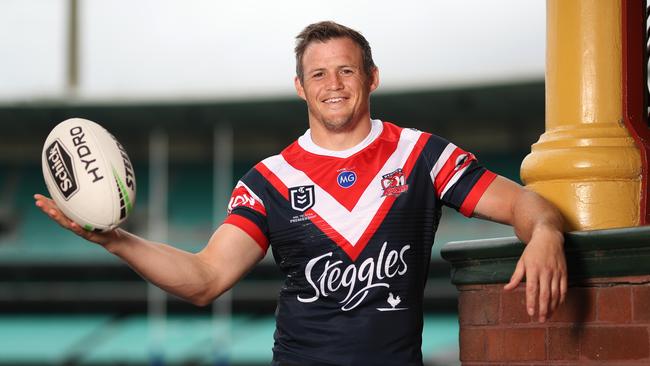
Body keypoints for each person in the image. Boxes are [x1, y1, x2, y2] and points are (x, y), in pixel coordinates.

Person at [35, 21, 567, 366]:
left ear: (372, 77)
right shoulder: (269, 180)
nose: (332, 83)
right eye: (318, 73)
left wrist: (543, 231)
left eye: (345, 70)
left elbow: (522, 201)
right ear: (300, 86)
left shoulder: (422, 156)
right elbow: (204, 280)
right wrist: (115, 241)